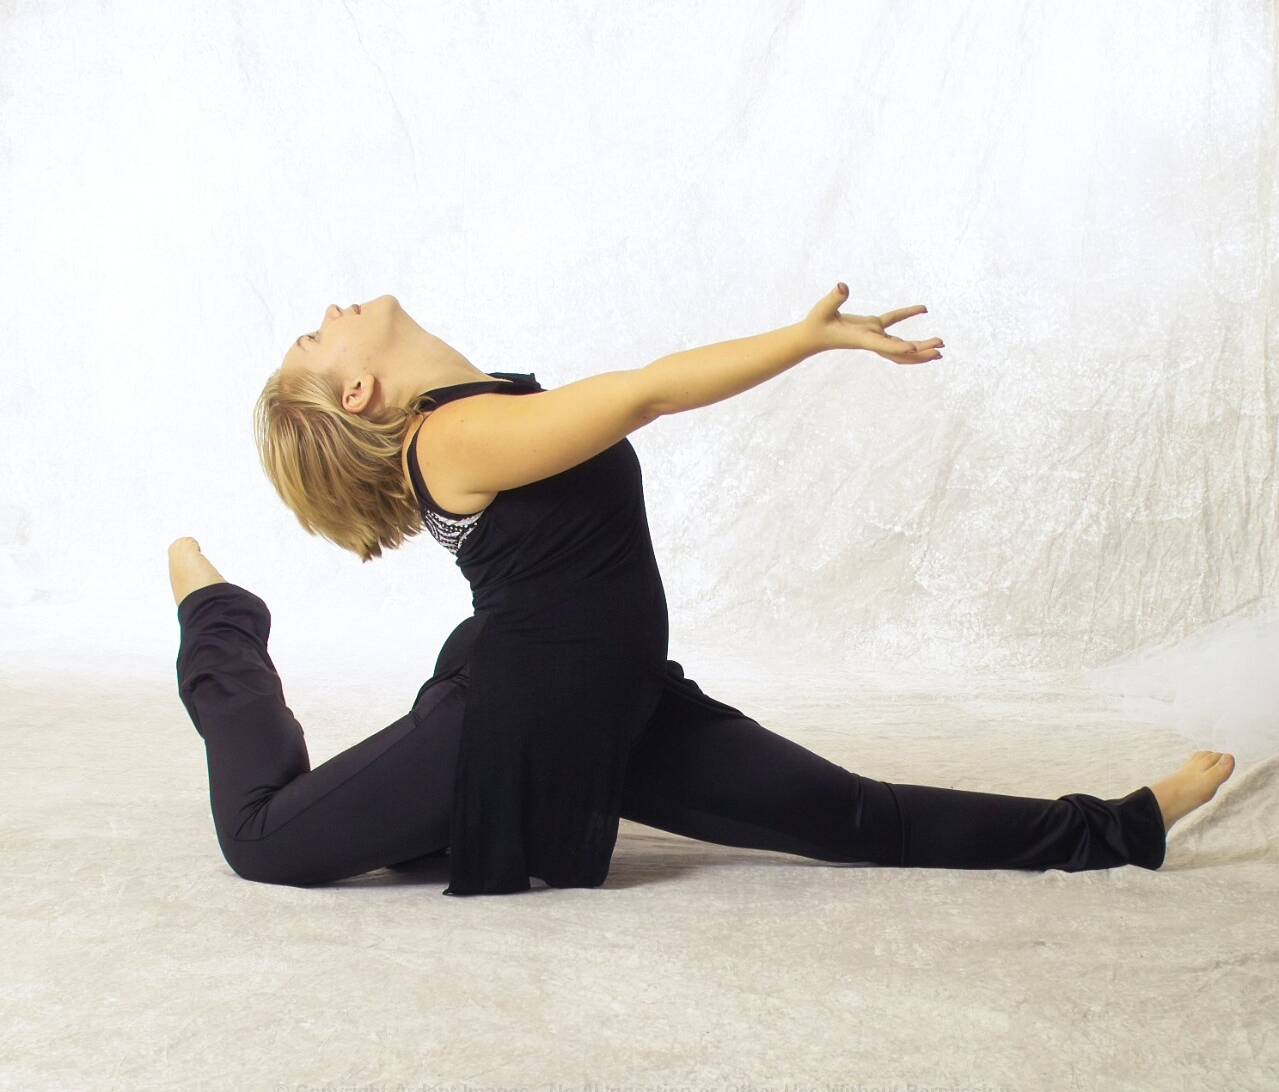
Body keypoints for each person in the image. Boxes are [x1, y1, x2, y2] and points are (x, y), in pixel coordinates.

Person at [170, 287, 1235, 896]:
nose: (328, 311)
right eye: (315, 338)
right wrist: (804, 340)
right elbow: (645, 395)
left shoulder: (479, 404)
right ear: (360, 390)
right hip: (519, 715)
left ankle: (1120, 827)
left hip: (612, 700)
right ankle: (218, 619)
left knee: (849, 815)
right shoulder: (455, 436)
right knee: (263, 841)